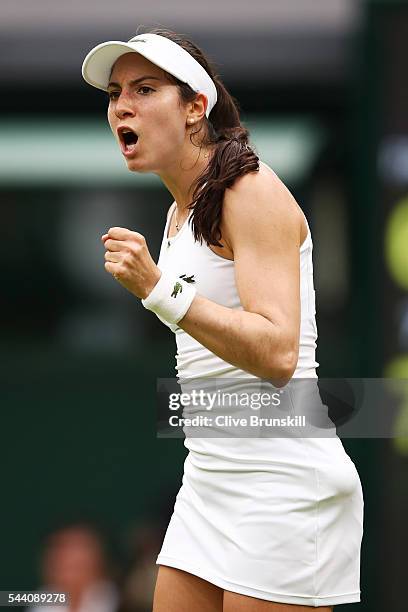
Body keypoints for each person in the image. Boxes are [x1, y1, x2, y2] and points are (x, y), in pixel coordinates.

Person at [81, 28, 364, 612]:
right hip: (210, 480)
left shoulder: (250, 191)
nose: (121, 107)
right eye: (114, 93)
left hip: (284, 488)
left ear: (195, 109)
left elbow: (279, 353)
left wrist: (158, 288)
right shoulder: (179, 210)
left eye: (144, 88)